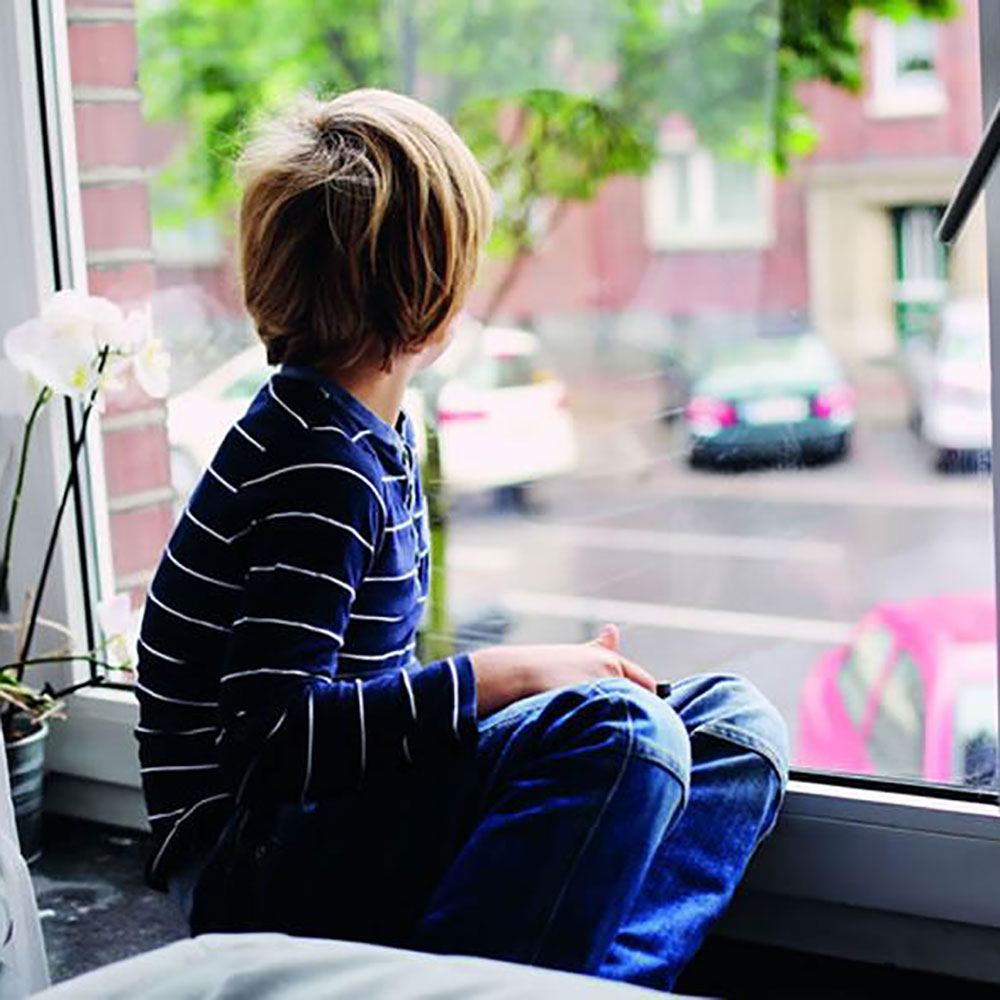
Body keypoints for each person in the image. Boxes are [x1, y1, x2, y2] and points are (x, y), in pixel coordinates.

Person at [135, 88, 788, 993]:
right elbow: (270, 747)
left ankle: (589, 982)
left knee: (733, 726)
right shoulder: (318, 464)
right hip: (252, 871)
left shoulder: (370, 430)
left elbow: (365, 703)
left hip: (336, 823)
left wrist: (532, 694)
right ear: (435, 297)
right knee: (625, 734)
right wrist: (509, 678)